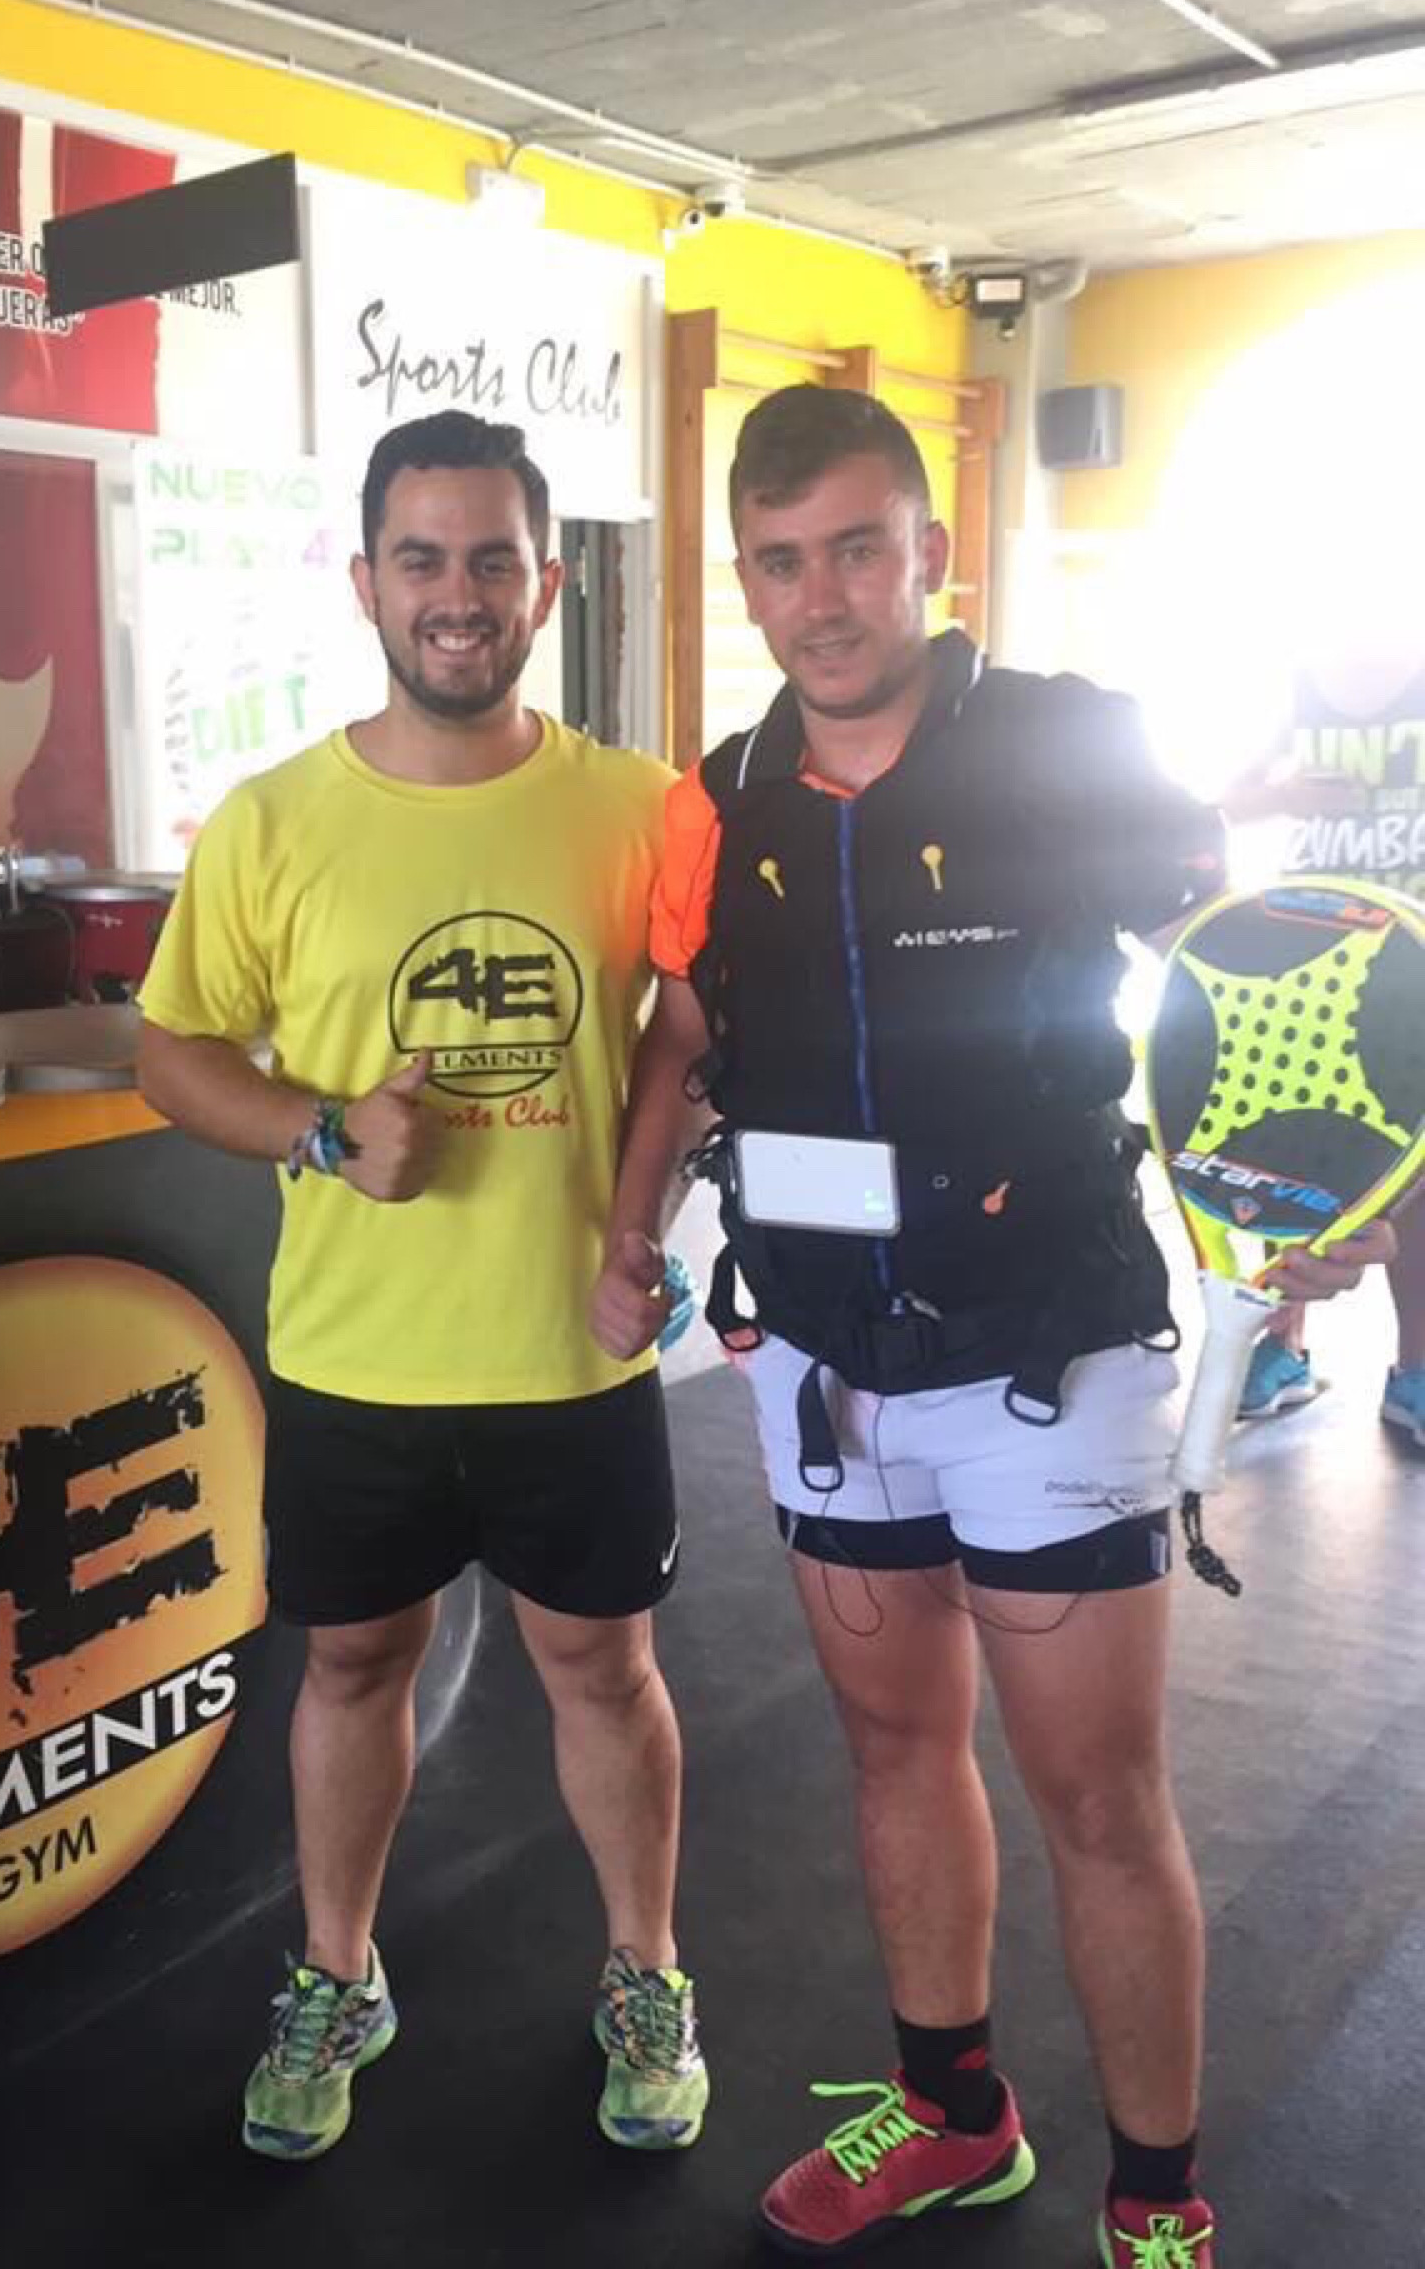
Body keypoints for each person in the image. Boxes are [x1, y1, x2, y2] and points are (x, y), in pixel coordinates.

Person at [590, 384, 1393, 2268]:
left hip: (1053, 1353)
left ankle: (1158, 2204)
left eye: (857, 551)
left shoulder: (1064, 744)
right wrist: (629, 1233)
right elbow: (688, 1039)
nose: (822, 598)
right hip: (820, 1362)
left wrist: (1308, 1209)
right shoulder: (719, 799)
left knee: (1097, 1798)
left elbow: (1249, 984)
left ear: (929, 553)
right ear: (745, 579)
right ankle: (956, 2121)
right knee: (892, 1747)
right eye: (781, 563)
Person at [136, 409, 707, 2164]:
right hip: (354, 1360)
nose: (457, 594)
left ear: (547, 582)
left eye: (491, 561)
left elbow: (682, 1043)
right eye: (422, 559)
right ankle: (337, 1972)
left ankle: (648, 1971)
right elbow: (172, 1053)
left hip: (569, 1359)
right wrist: (319, 1131)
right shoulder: (272, 821)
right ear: (366, 579)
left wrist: (641, 1233)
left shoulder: (642, 809)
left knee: (603, 1670)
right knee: (352, 1664)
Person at [1223, 621, 1425, 1438]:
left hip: (1412, 966)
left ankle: (1415, 1370)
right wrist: (1282, 797)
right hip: (1311, 967)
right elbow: (1225, 804)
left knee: (1413, 1185)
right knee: (1292, 1165)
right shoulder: (1303, 690)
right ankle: (1282, 1349)